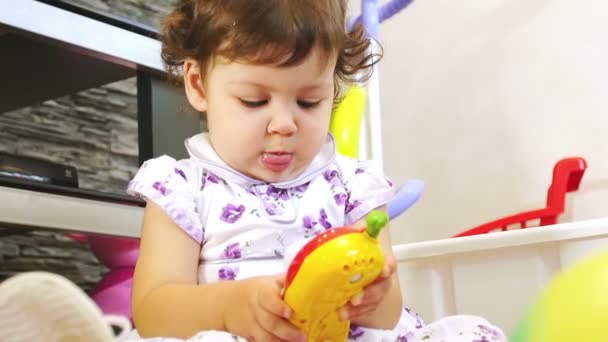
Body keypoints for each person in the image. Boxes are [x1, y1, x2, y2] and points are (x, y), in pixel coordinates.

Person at [0, 1, 508, 342]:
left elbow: (390, 310)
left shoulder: (354, 187)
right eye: (254, 100)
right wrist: (232, 307)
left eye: (310, 101)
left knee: (468, 331)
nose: (284, 124)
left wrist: (372, 296)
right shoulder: (183, 188)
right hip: (229, 335)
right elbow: (154, 311)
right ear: (199, 85)